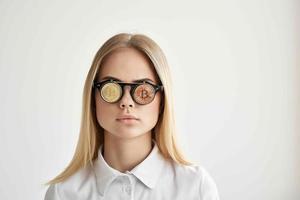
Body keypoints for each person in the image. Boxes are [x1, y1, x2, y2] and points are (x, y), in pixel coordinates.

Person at [43, 32, 220, 200]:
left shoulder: (195, 187)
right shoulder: (63, 193)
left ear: (162, 102)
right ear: (93, 99)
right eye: (111, 87)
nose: (126, 102)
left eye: (143, 89)